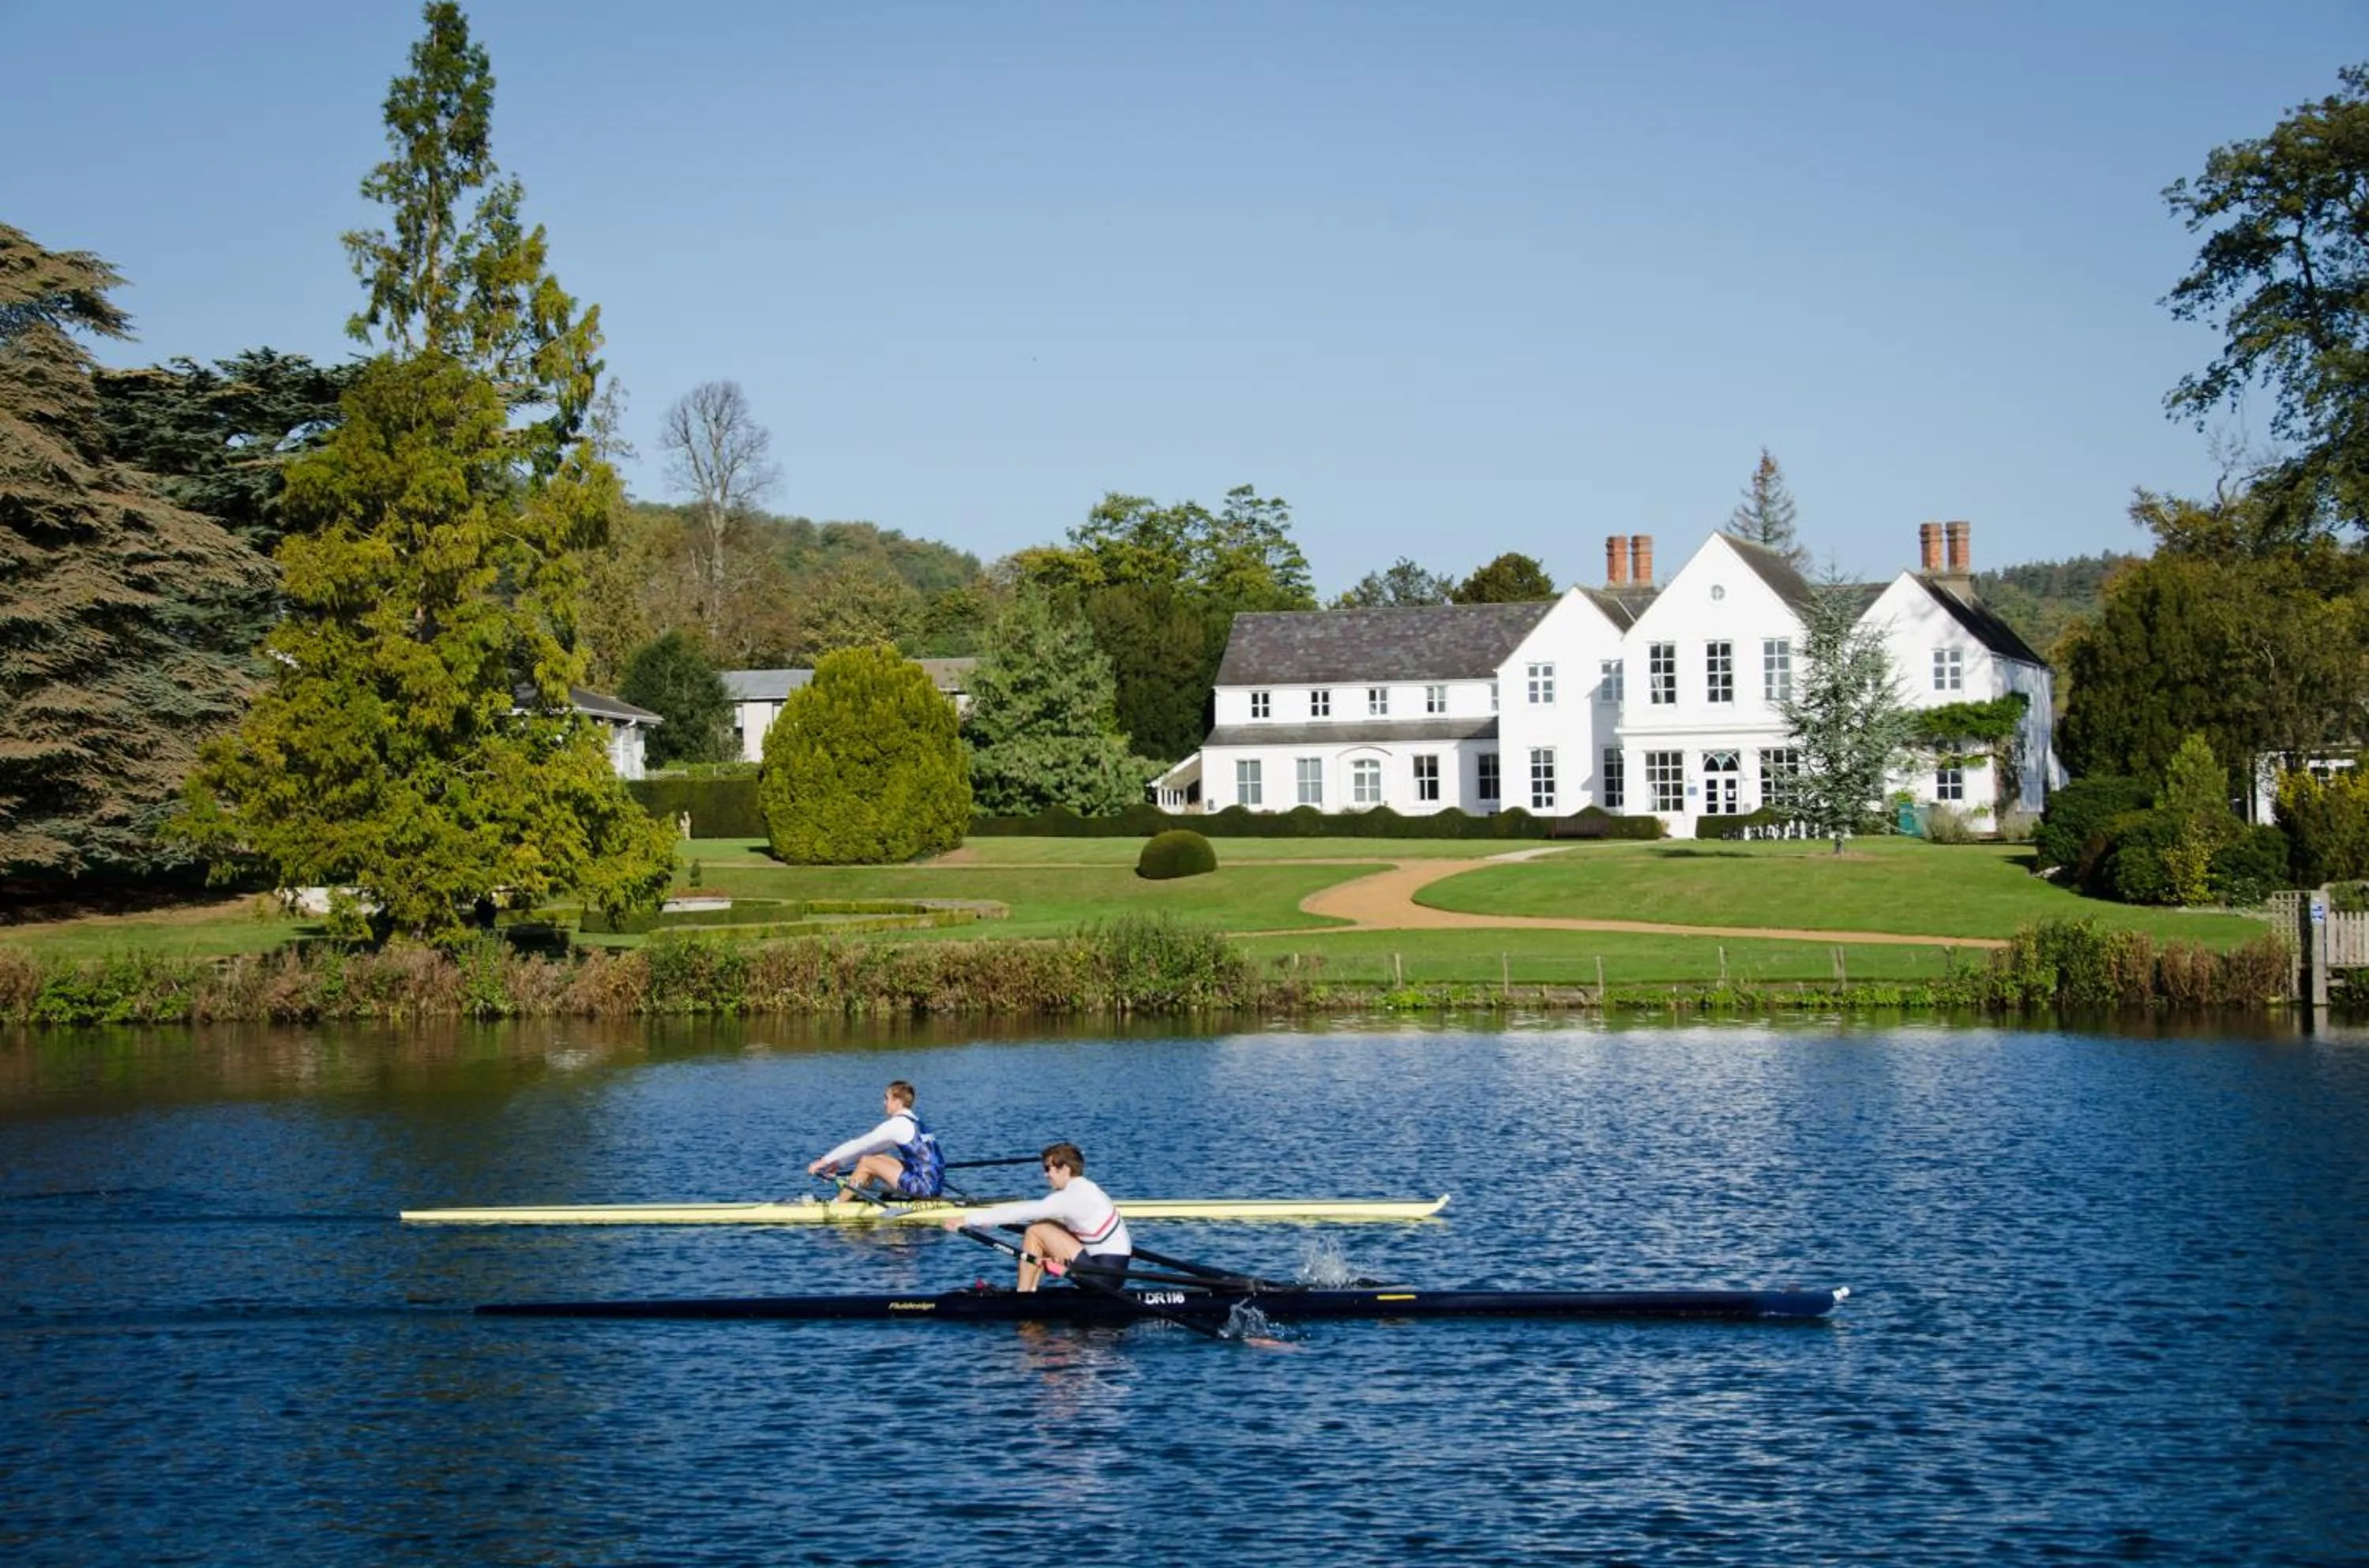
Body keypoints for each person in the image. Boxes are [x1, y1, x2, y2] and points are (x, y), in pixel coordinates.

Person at [944, 1142, 1131, 1292]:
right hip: (1109, 1270)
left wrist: (967, 1219)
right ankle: (1031, 1288)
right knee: (1044, 1225)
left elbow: (1023, 1211)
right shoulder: (1088, 1189)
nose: (1045, 1175)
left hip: (1104, 1276)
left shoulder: (1072, 1197)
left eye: (1048, 1168)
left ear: (1065, 1169)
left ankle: (1024, 1294)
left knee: (1036, 1230)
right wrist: (989, 1220)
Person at [806, 1080, 944, 1200]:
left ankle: (838, 1205)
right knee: (877, 1158)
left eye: (887, 1098)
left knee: (867, 1162)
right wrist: (839, 1163)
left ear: (897, 1102)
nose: (884, 1103)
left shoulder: (897, 1124)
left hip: (923, 1188)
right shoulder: (916, 1122)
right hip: (934, 1184)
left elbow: (860, 1144)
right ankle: (862, 1196)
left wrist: (824, 1161)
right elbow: (870, 1149)